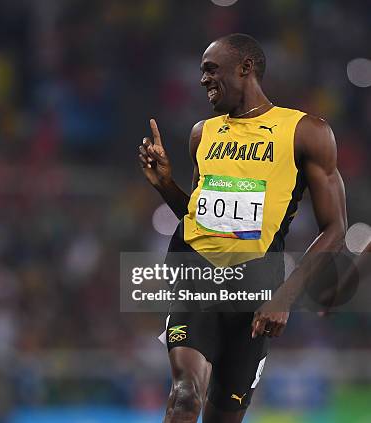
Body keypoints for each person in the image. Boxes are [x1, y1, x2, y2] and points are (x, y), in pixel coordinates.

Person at [138, 34, 346, 422]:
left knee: (224, 415)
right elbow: (203, 220)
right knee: (184, 396)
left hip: (255, 288)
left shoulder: (306, 132)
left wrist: (285, 297)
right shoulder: (203, 134)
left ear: (245, 68)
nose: (203, 80)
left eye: (210, 70)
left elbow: (336, 228)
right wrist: (166, 184)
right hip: (195, 273)